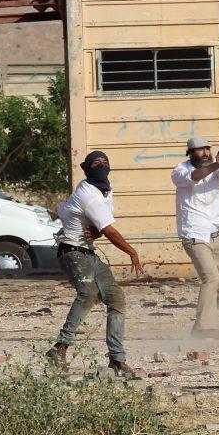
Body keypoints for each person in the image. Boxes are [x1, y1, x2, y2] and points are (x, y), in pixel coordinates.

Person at [47, 151, 144, 376]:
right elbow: (109, 230)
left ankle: (117, 359)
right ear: (86, 168)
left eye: (105, 162)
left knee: (116, 298)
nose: (101, 165)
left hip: (87, 252)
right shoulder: (89, 193)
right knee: (88, 293)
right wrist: (132, 252)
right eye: (96, 163)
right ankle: (60, 347)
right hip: (72, 251)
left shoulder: (105, 191)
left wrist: (96, 232)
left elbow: (99, 228)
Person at [171, 136, 219, 338]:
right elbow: (195, 176)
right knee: (211, 278)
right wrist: (217, 163)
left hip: (216, 232)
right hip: (194, 234)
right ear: (190, 152)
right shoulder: (180, 170)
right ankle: (202, 328)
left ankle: (205, 324)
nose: (205, 153)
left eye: (207, 149)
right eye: (200, 150)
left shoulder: (214, 167)